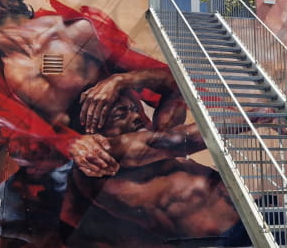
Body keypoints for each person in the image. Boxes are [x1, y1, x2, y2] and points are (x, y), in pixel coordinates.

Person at [0, 0, 191, 246]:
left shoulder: (75, 31)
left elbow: (173, 83)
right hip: (64, 171)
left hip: (123, 155)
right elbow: (19, 132)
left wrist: (121, 81)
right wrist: (72, 143)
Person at [65, 91, 247, 248]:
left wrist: (121, 80)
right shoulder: (99, 164)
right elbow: (184, 140)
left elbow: (172, 87)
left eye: (134, 109)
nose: (136, 116)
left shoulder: (147, 146)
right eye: (121, 115)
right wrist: (254, 116)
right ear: (93, 128)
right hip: (227, 237)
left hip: (247, 213)